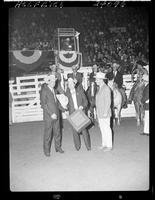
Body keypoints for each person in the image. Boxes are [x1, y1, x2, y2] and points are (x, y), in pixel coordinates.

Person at [40, 74, 66, 157]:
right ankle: (46, 151)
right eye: (51, 81)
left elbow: (56, 103)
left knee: (57, 132)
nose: (53, 82)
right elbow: (44, 105)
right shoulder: (44, 91)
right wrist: (51, 114)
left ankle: (58, 147)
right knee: (48, 134)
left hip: (57, 115)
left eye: (54, 81)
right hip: (49, 117)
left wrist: (64, 109)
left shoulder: (54, 90)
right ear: (48, 82)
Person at [65, 78, 91, 151]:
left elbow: (86, 101)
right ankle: (77, 146)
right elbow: (64, 104)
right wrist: (65, 110)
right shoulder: (66, 94)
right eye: (69, 84)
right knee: (74, 131)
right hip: (72, 113)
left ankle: (88, 146)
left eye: (72, 84)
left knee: (84, 130)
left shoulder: (80, 91)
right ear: (68, 85)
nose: (70, 85)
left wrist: (82, 106)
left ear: (74, 84)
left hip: (80, 112)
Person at [95, 72, 113, 152]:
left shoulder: (106, 88)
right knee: (102, 129)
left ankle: (109, 145)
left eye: (97, 79)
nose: (96, 81)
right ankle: (104, 144)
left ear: (101, 80)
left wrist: (105, 112)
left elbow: (108, 101)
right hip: (100, 112)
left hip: (104, 112)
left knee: (107, 129)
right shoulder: (101, 88)